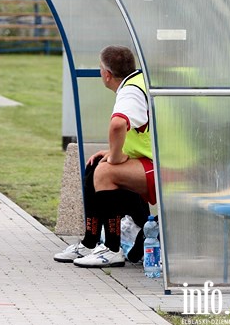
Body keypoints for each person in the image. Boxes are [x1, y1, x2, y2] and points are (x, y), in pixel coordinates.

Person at [54, 45, 156, 268]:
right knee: (96, 164)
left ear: (107, 74)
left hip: (162, 166)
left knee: (105, 171)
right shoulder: (135, 82)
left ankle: (112, 249)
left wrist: (116, 158)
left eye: (100, 69)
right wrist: (112, 154)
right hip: (154, 160)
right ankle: (90, 242)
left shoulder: (130, 92)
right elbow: (143, 132)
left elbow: (118, 124)